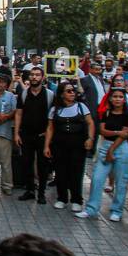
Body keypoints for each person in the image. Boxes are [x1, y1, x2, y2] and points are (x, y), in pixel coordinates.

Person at [78, 87, 128, 222]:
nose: (118, 99)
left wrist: (111, 150)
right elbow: (102, 131)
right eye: (115, 96)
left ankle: (117, 210)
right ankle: (91, 208)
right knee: (97, 179)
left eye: (120, 97)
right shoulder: (106, 113)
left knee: (121, 181)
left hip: (121, 148)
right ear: (110, 98)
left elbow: (125, 134)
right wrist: (116, 132)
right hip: (106, 145)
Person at [43, 81, 94, 211]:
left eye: (73, 90)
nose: (72, 93)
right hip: (60, 145)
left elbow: (90, 123)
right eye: (68, 91)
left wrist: (90, 138)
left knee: (76, 172)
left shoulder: (81, 107)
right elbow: (50, 128)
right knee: (60, 172)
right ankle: (62, 198)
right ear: (61, 94)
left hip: (77, 145)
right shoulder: (55, 110)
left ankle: (77, 199)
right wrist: (47, 146)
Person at [14, 65, 54, 203]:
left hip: (43, 136)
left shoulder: (49, 95)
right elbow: (19, 113)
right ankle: (30, 190)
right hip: (26, 135)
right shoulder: (24, 94)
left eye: (37, 75)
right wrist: (16, 134)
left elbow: (52, 118)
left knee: (43, 165)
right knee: (27, 163)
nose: (34, 77)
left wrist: (49, 137)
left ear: (42, 77)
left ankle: (41, 193)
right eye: (32, 74)